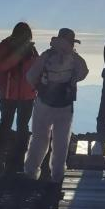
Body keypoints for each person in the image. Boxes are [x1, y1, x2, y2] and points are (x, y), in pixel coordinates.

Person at [23, 28, 88, 183]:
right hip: (65, 104)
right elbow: (83, 73)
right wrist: (71, 81)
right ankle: (57, 176)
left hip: (44, 102)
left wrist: (39, 86)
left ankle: (31, 173)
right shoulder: (74, 58)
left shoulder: (47, 55)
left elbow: (30, 76)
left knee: (39, 139)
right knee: (61, 142)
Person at [0, 22, 39, 169]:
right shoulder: (6, 46)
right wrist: (19, 55)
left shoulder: (31, 50)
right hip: (9, 94)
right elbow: (1, 66)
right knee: (6, 125)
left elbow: (37, 68)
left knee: (22, 127)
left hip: (26, 95)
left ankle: (18, 161)